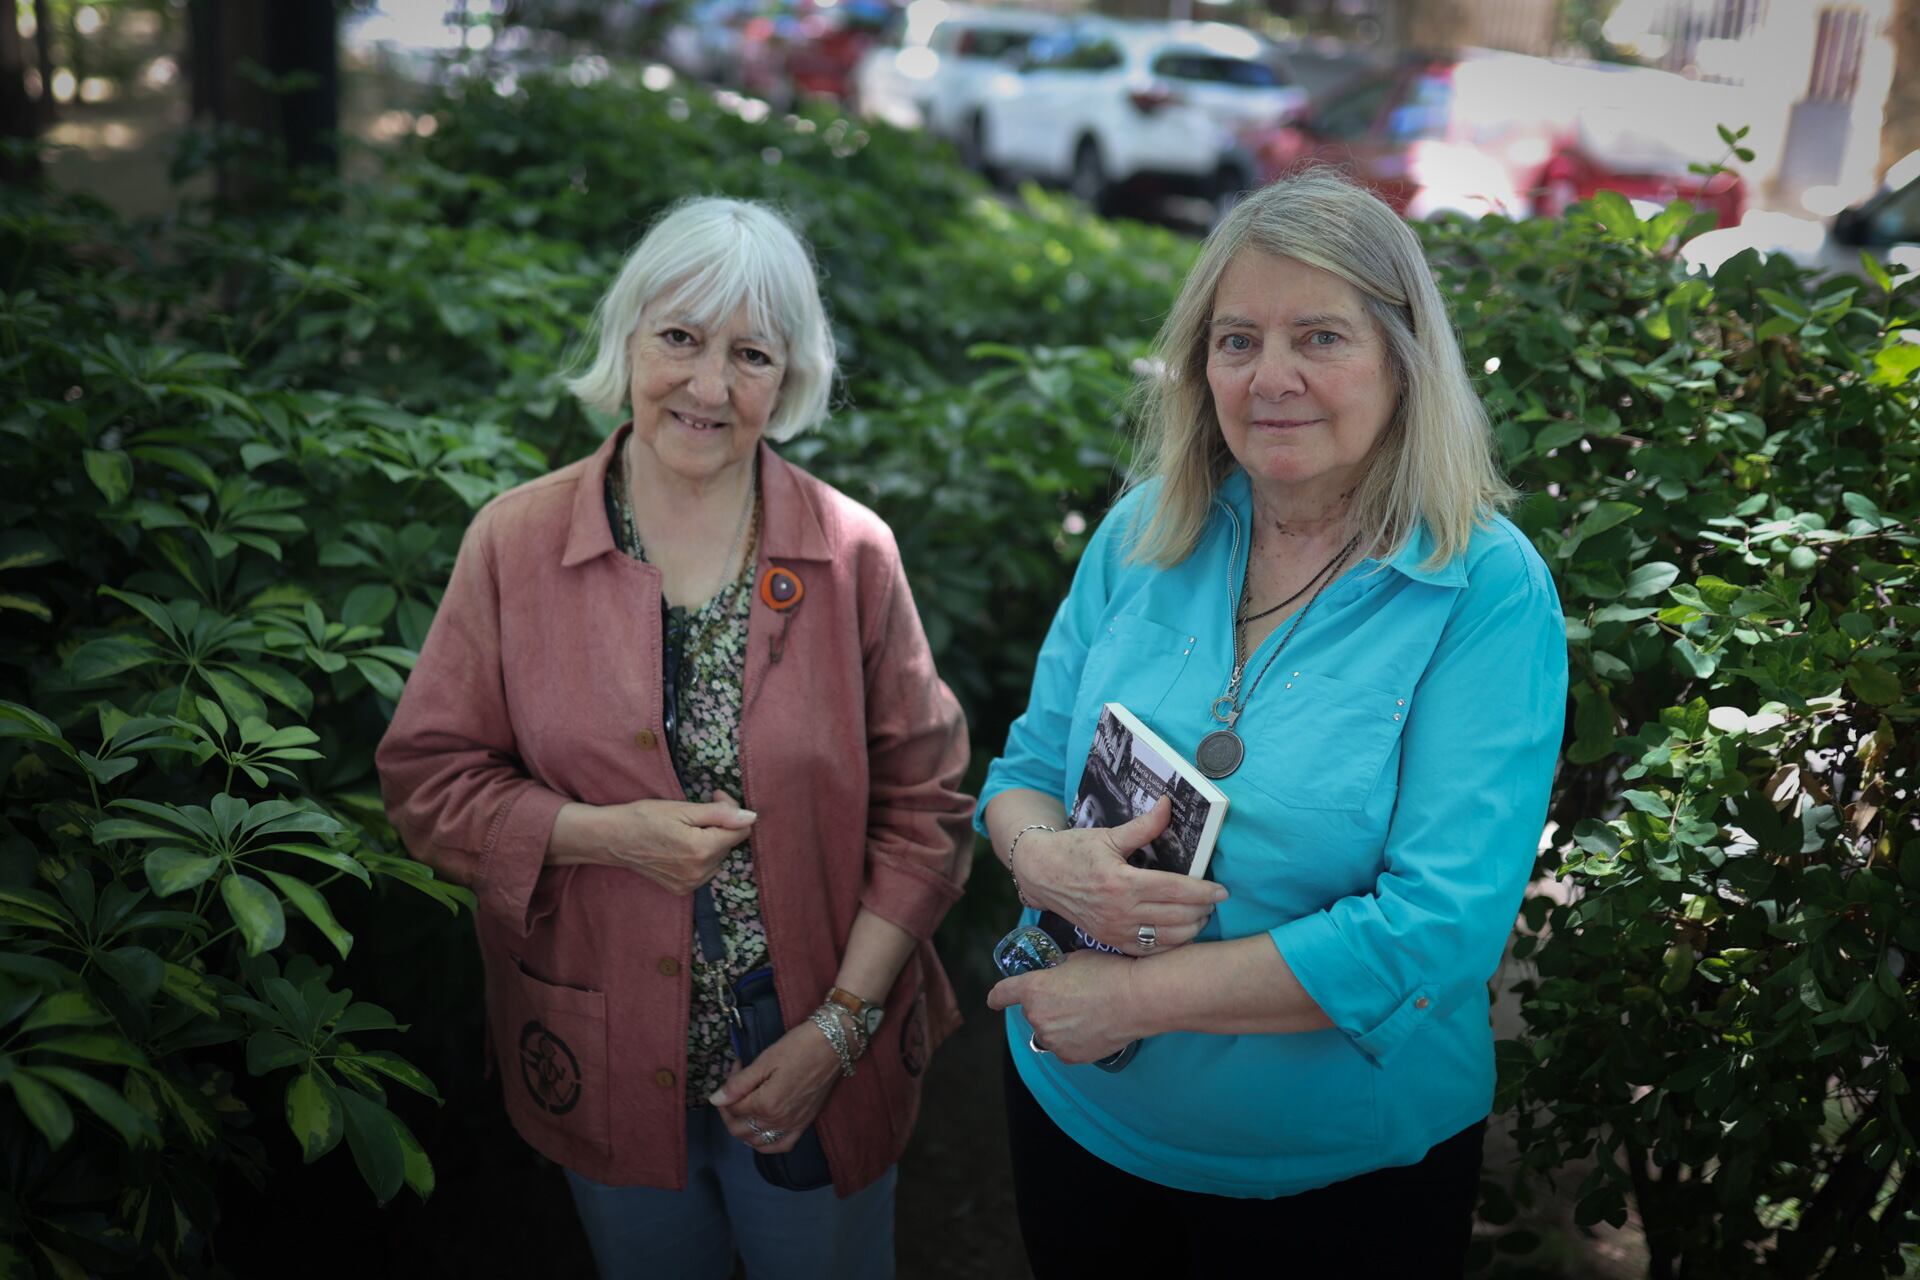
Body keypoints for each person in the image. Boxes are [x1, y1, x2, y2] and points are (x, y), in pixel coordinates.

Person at [976, 171, 1567, 1277]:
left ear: (1402, 359)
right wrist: (1044, 856)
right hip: (1075, 1105)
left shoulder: (1484, 590)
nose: (1272, 377)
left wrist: (1132, 999)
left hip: (1330, 1177)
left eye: (1321, 337)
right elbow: (1016, 771)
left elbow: (1435, 931)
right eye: (1237, 338)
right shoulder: (1148, 529)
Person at [375, 197, 974, 1280]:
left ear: (787, 377)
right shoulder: (515, 542)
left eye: (749, 353)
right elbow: (427, 781)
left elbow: (927, 809)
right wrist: (603, 835)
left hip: (809, 1039)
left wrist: (838, 1030)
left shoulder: (852, 556)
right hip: (602, 1034)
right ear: (629, 339)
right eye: (680, 339)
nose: (707, 386)